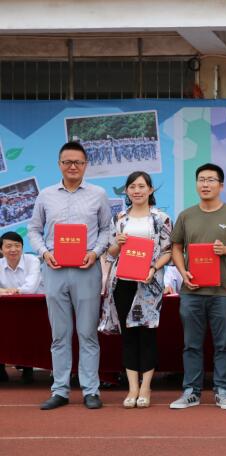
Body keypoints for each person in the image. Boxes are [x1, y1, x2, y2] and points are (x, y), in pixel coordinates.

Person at [27, 141, 111, 410]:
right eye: (67, 162)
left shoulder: (98, 194)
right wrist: (44, 253)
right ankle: (60, 390)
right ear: (59, 164)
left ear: (85, 165)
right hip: (55, 271)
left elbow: (107, 230)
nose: (72, 166)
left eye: (78, 162)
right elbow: (34, 230)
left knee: (87, 334)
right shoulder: (45, 195)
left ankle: (91, 390)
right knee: (60, 335)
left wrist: (95, 253)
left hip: (87, 270)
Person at [169, 163, 226, 410]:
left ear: (221, 185)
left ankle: (222, 391)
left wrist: (225, 250)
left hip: (223, 292)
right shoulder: (186, 215)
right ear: (196, 184)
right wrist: (183, 272)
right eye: (201, 180)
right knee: (191, 344)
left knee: (223, 344)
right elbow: (176, 247)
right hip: (192, 291)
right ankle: (191, 392)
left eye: (211, 180)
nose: (205, 184)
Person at [99, 171, 172, 408]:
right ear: (127, 191)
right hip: (123, 282)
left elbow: (168, 251)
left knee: (147, 334)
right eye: (132, 186)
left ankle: (146, 387)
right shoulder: (119, 218)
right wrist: (117, 245)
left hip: (149, 283)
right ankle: (132, 388)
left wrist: (153, 268)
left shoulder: (161, 218)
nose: (137, 190)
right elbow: (110, 253)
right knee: (129, 334)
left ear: (150, 190)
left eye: (141, 186)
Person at [0, 231, 42, 383]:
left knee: (29, 332)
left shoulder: (33, 260)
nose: (13, 249)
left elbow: (30, 288)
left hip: (34, 307)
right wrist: (6, 291)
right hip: (7, 308)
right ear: (1, 250)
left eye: (17, 246)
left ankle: (27, 367)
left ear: (22, 248)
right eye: (8, 246)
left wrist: (8, 291)